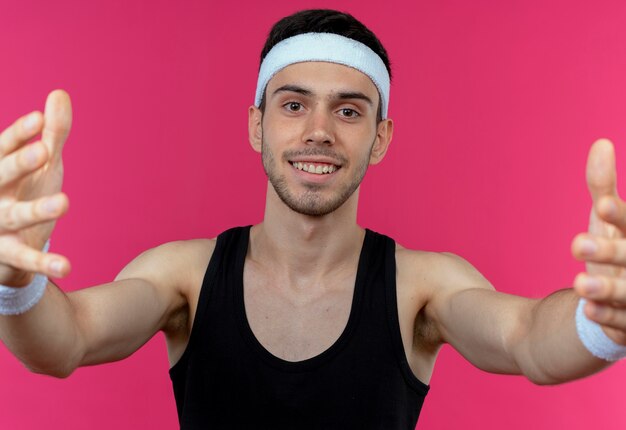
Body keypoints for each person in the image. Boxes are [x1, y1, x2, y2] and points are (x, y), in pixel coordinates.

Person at [0, 8, 624, 429]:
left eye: (349, 112)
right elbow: (67, 339)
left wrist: (601, 322)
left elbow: (528, 340)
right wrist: (14, 285)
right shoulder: (184, 277)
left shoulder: (421, 288)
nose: (319, 132)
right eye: (293, 104)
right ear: (257, 125)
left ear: (380, 139)